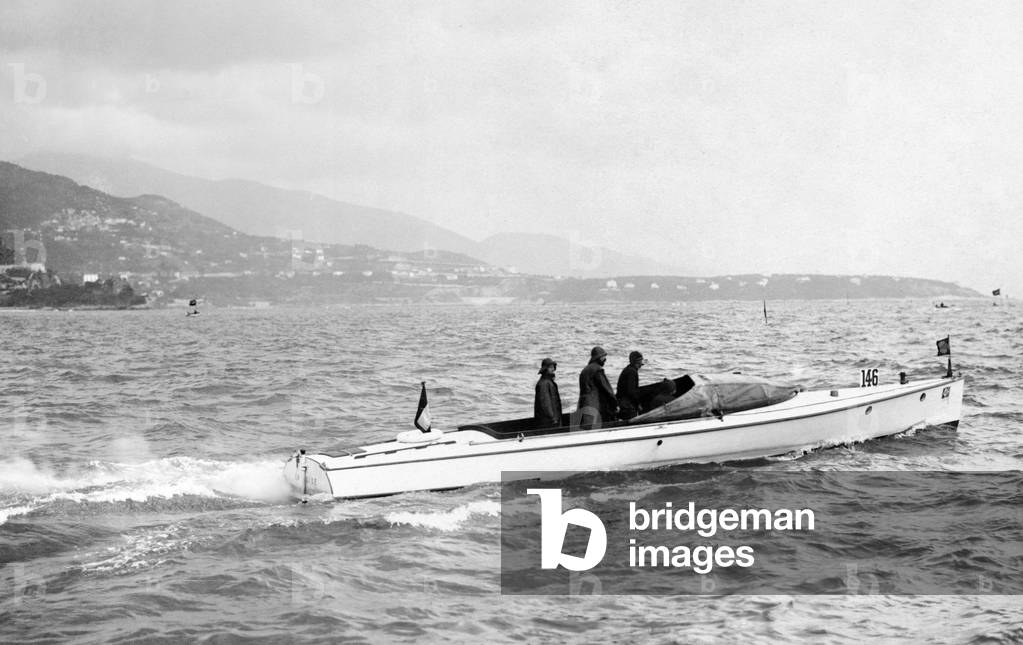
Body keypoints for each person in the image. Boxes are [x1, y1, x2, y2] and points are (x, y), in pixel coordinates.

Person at [578, 346, 617, 429]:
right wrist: (615, 404)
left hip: (584, 407)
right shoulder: (597, 370)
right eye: (603, 357)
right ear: (598, 357)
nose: (605, 360)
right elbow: (607, 389)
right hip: (595, 406)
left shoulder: (585, 370)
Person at [534, 357, 563, 429]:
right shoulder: (544, 384)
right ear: (545, 369)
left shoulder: (548, 382)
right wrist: (553, 419)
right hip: (548, 423)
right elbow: (546, 404)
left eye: (553, 367)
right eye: (550, 367)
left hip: (551, 421)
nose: (553, 369)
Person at [616, 350, 645, 420]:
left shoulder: (628, 369)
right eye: (641, 360)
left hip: (622, 402)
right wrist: (638, 404)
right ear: (638, 361)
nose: (642, 363)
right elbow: (631, 391)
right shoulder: (632, 372)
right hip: (627, 404)